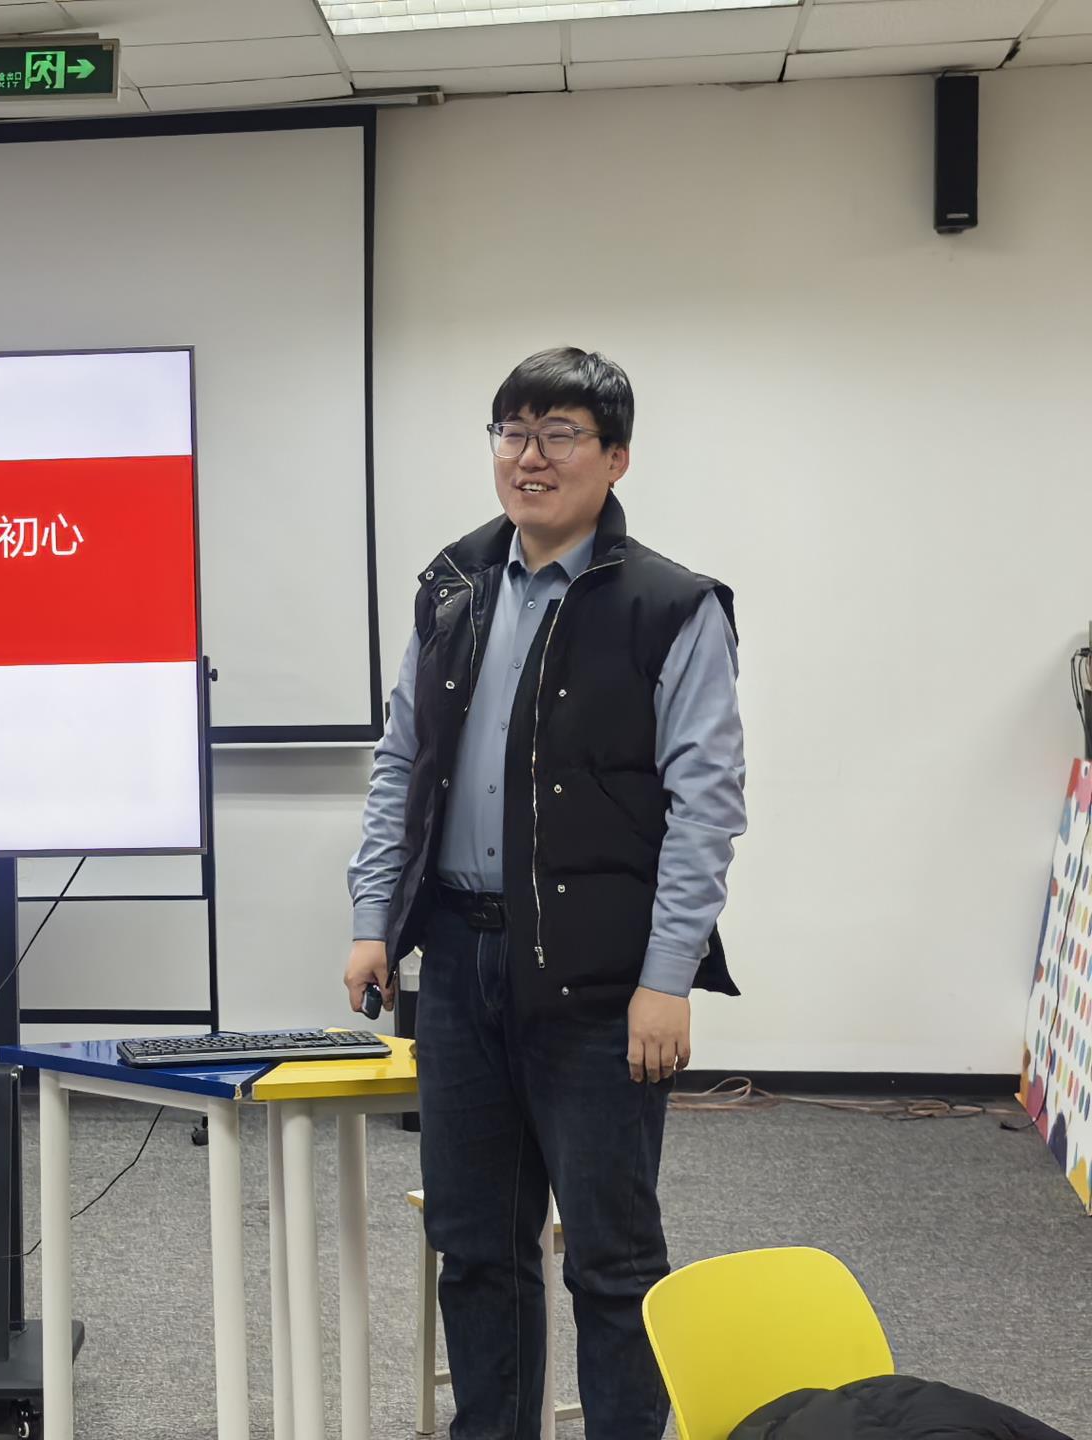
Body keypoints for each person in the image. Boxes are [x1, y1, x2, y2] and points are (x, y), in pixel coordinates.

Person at [345, 348, 746, 1440]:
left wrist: (668, 979)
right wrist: (373, 919)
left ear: (616, 459)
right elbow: (402, 763)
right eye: (513, 432)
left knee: (613, 1262)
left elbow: (706, 808)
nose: (531, 457)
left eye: (561, 434)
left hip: (600, 981)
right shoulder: (453, 587)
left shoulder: (672, 607)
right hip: (459, 964)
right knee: (475, 1249)